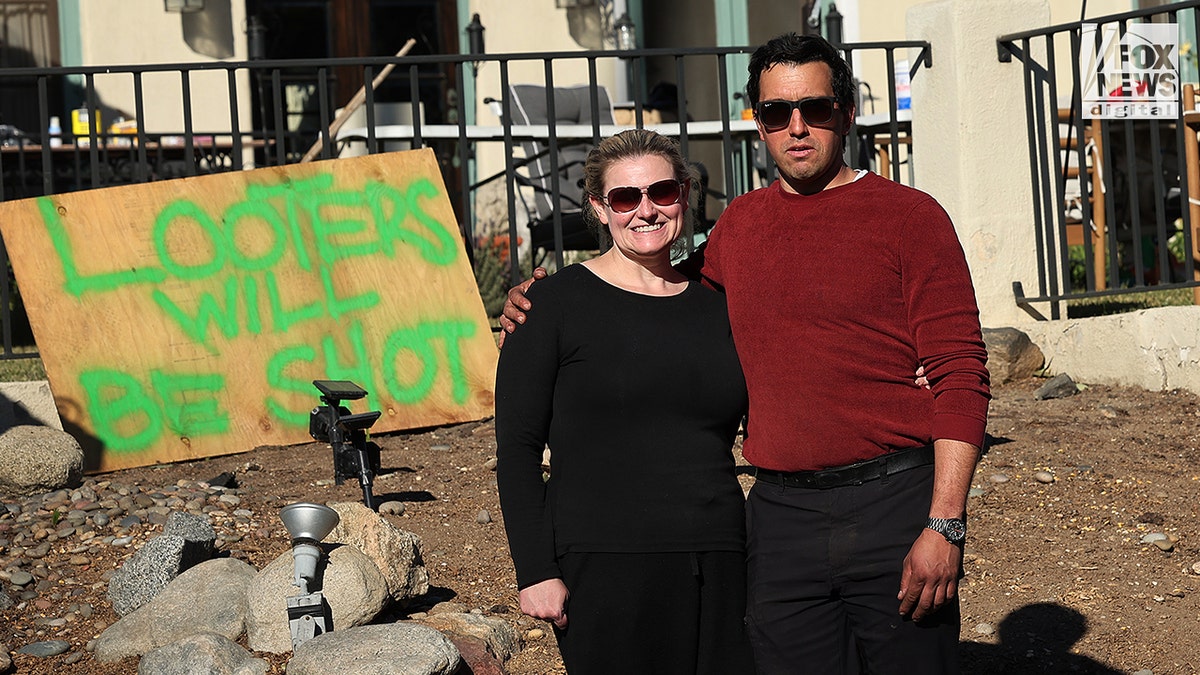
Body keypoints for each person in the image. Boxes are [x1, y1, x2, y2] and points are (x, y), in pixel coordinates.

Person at [502, 33, 990, 674]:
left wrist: (945, 524)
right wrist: (542, 298)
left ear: (844, 112)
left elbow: (962, 374)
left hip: (892, 505)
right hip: (779, 520)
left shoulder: (911, 218)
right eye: (775, 113)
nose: (796, 127)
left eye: (815, 108)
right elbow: (649, 296)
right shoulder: (740, 228)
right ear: (755, 123)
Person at [494, 128, 755, 675]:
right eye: (624, 198)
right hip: (604, 561)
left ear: (683, 194)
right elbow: (517, 450)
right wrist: (535, 569)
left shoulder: (718, 303)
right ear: (598, 206)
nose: (646, 211)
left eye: (661, 192)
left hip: (719, 553)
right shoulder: (550, 305)